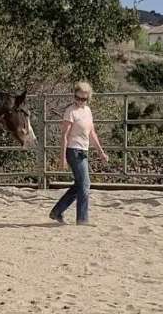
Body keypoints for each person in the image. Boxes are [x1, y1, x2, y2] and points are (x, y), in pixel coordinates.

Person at [49, 81, 108, 225]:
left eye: (83, 99)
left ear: (88, 98)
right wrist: (62, 157)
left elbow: (91, 133)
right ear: (74, 96)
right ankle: (82, 219)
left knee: (80, 184)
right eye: (77, 97)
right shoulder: (70, 111)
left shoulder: (87, 111)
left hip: (83, 150)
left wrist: (100, 151)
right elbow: (64, 135)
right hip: (73, 150)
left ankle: (57, 211)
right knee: (85, 184)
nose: (80, 101)